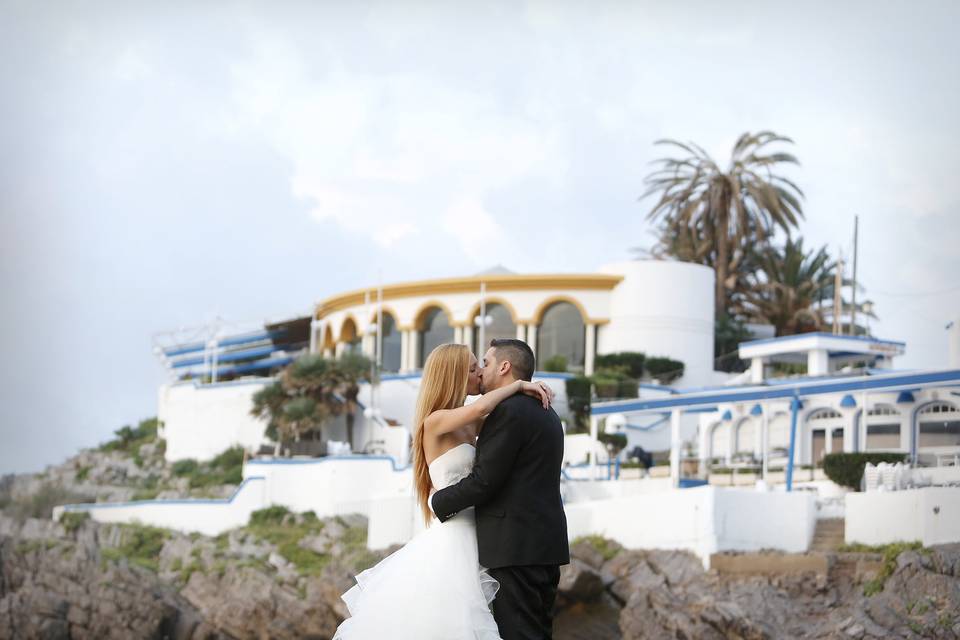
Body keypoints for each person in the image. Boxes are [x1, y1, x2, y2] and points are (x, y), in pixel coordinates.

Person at [333, 342, 555, 640]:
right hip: (454, 537)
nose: (479, 374)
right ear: (455, 375)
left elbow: (501, 424)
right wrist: (519, 385)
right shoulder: (436, 420)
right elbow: (483, 406)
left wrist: (519, 391)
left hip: (485, 536)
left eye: (482, 366)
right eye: (474, 368)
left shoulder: (472, 421)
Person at [431, 339, 570, 640]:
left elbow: (484, 482)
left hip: (515, 548)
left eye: (484, 363)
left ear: (504, 367)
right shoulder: (546, 411)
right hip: (544, 545)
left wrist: (438, 501)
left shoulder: (509, 412)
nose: (480, 371)